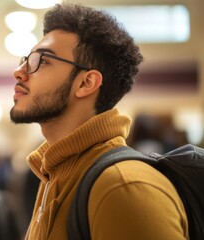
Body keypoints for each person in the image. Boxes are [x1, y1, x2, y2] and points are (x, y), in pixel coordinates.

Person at [10, 3, 188, 240]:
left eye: (41, 61)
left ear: (86, 83)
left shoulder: (124, 187)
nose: (19, 72)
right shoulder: (54, 175)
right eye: (26, 59)